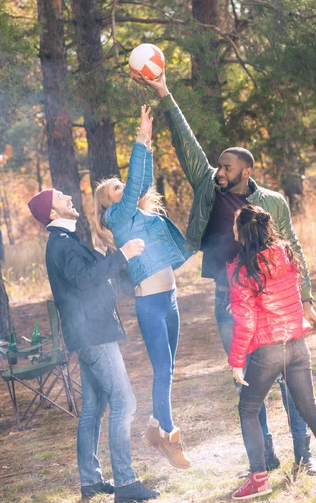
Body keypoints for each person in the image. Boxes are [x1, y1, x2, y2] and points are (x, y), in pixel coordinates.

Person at [133, 70, 316, 474]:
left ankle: (305, 454)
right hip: (228, 300)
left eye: (226, 167)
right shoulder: (208, 188)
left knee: (290, 379)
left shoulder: (272, 203)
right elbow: (186, 143)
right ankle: (265, 455)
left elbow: (295, 249)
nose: (219, 171)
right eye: (218, 165)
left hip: (274, 305)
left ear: (246, 171)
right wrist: (164, 92)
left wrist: (306, 299)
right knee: (249, 382)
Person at [27, 188, 160, 503]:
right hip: (93, 335)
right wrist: (122, 255)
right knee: (124, 403)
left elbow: (83, 278)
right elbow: (85, 279)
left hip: (86, 333)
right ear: (52, 213)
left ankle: (90, 481)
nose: (69, 198)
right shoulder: (60, 245)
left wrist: (103, 256)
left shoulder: (66, 241)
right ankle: (126, 484)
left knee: (94, 407)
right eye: (61, 198)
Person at [228, 204, 316, 498]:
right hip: (297, 346)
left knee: (248, 409)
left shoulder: (242, 270)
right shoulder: (286, 254)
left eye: (234, 225)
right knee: (311, 411)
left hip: (268, 350)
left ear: (241, 232)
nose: (232, 229)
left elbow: (245, 320)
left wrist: (236, 360)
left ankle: (258, 478)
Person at [94, 105, 191, 470]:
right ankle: (168, 434)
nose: (126, 186)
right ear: (109, 201)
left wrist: (147, 141)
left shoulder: (138, 213)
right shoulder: (116, 217)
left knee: (169, 368)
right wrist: (138, 137)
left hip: (171, 298)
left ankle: (154, 428)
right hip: (150, 303)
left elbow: (142, 179)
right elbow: (136, 182)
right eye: (117, 187)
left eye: (123, 183)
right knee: (162, 370)